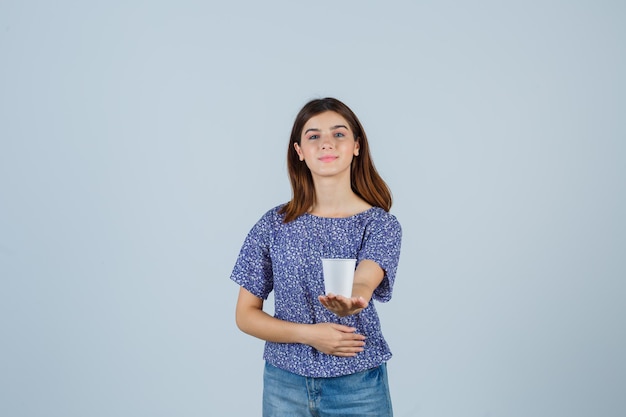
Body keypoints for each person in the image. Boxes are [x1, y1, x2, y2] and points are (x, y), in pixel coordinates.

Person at [230, 97, 402, 417]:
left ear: (356, 146)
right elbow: (245, 315)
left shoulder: (380, 223)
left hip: (357, 384)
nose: (326, 143)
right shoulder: (273, 225)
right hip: (284, 384)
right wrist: (311, 335)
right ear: (299, 151)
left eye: (338, 134)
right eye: (313, 136)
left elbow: (366, 276)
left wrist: (355, 298)